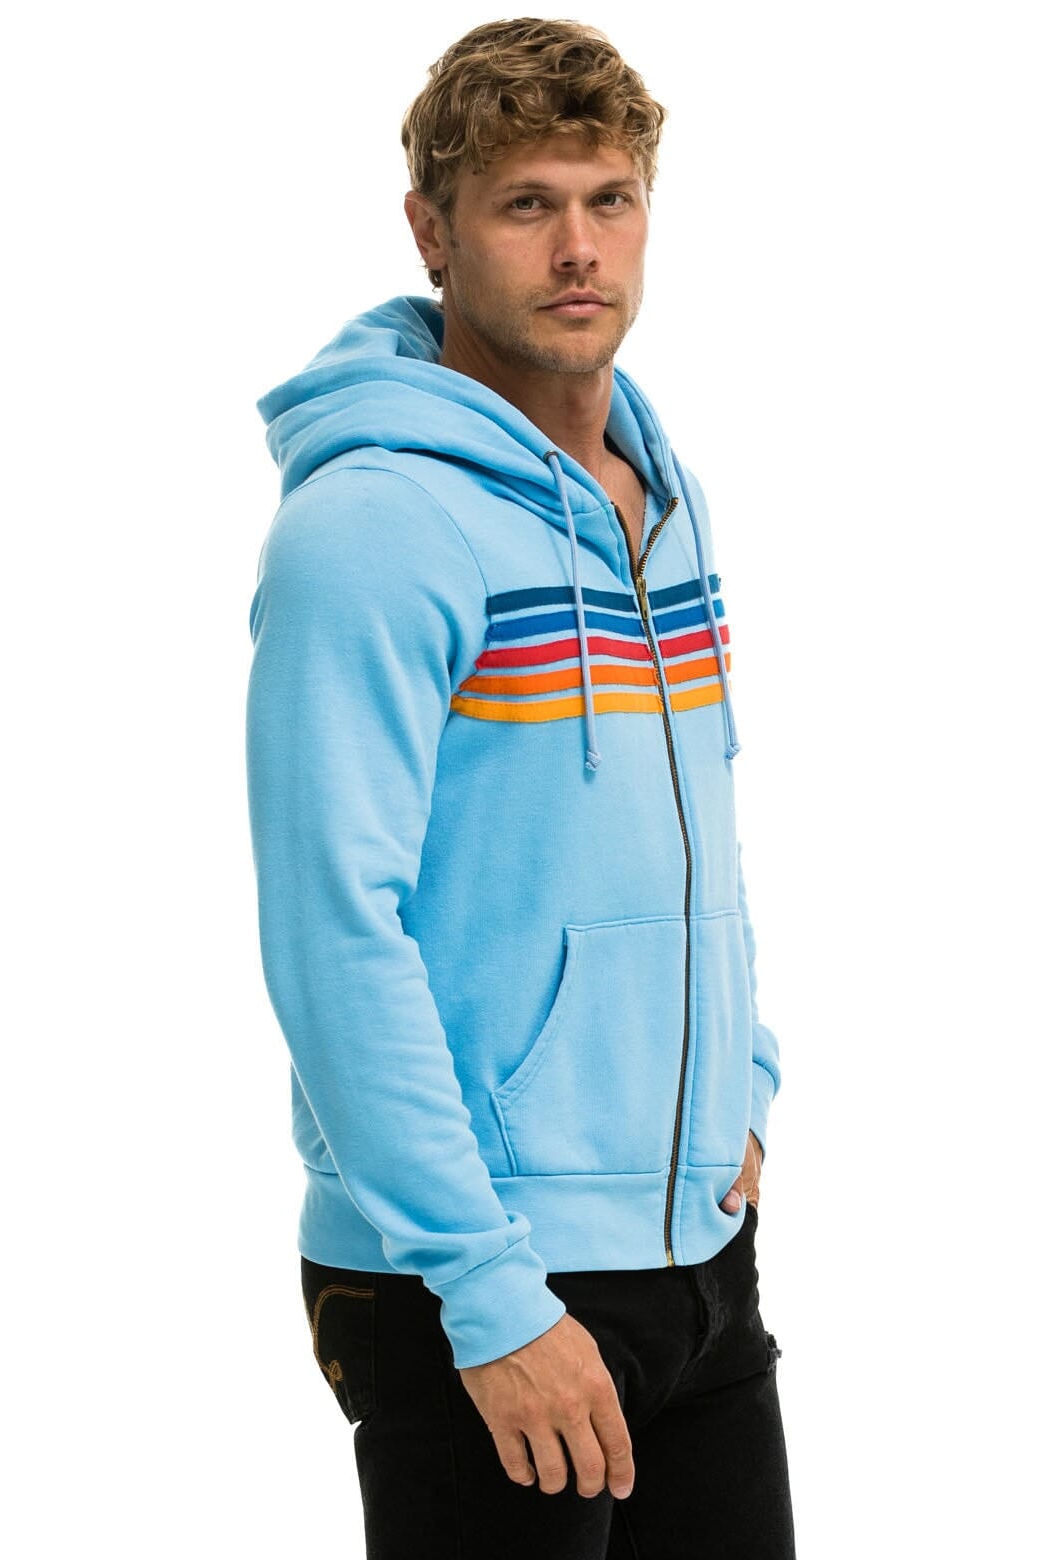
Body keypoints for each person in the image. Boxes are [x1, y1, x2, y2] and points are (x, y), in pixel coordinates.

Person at [246, 16, 796, 1558]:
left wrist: (743, 1084)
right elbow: (333, 929)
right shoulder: (374, 527)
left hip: (695, 1251)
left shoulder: (658, 499)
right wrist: (485, 1286)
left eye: (610, 199)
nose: (578, 248)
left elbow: (692, 829)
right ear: (432, 232)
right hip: (472, 1274)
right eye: (525, 204)